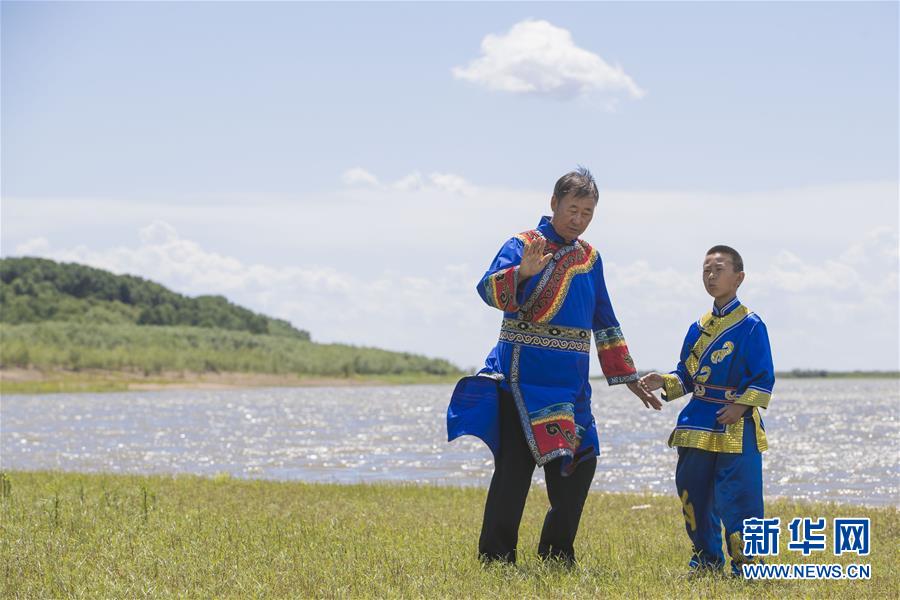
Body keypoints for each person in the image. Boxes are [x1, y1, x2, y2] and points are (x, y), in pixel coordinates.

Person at [447, 167, 660, 566]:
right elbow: (487, 290)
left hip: (571, 383)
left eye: (588, 212)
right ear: (553, 203)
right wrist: (521, 273)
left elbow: (605, 318)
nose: (578, 219)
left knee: (580, 465)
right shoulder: (522, 243)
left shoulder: (590, 258)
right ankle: (496, 558)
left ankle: (556, 555)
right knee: (514, 469)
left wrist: (628, 375)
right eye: (573, 209)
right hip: (522, 377)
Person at [639, 245, 774, 577]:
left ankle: (748, 565)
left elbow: (763, 376)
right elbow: (686, 375)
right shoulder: (697, 327)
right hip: (696, 421)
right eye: (706, 271)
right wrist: (664, 380)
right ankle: (706, 561)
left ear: (738, 277)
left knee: (740, 499)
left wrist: (740, 406)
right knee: (693, 493)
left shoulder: (752, 325)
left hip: (735, 424)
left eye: (719, 269)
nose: (711, 276)